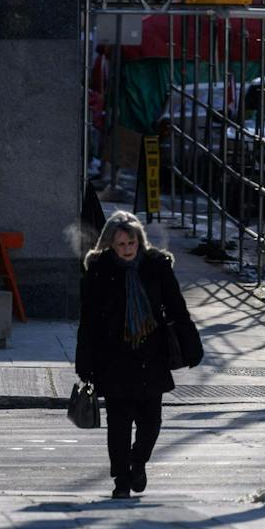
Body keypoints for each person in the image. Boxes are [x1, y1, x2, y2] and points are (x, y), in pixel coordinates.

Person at [75, 211, 194, 499]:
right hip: (113, 357)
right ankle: (121, 480)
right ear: (110, 245)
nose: (127, 249)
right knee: (118, 423)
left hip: (151, 356)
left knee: (151, 422)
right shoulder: (99, 270)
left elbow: (177, 308)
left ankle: (138, 461)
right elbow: (88, 319)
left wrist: (192, 344)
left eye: (131, 243)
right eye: (121, 245)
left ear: (139, 241)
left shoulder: (157, 266)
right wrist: (85, 362)